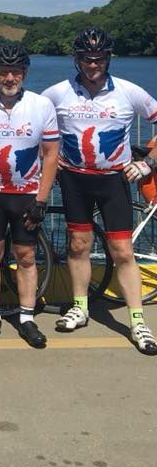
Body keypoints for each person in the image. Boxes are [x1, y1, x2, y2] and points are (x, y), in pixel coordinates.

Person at [42, 26, 157, 355]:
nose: (93, 65)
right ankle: (80, 307)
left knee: (122, 251)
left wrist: (148, 162)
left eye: (99, 59)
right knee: (78, 245)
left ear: (108, 59)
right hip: (74, 179)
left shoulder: (128, 91)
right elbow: (35, 128)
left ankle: (137, 320)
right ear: (76, 59)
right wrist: (48, 160)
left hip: (112, 180)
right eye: (86, 59)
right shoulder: (56, 93)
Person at [0, 44, 59, 348]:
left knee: (26, 256)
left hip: (26, 194)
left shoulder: (41, 105)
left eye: (15, 71)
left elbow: (51, 154)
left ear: (25, 74)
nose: (9, 77)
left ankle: (27, 317)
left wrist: (42, 199)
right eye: (3, 71)